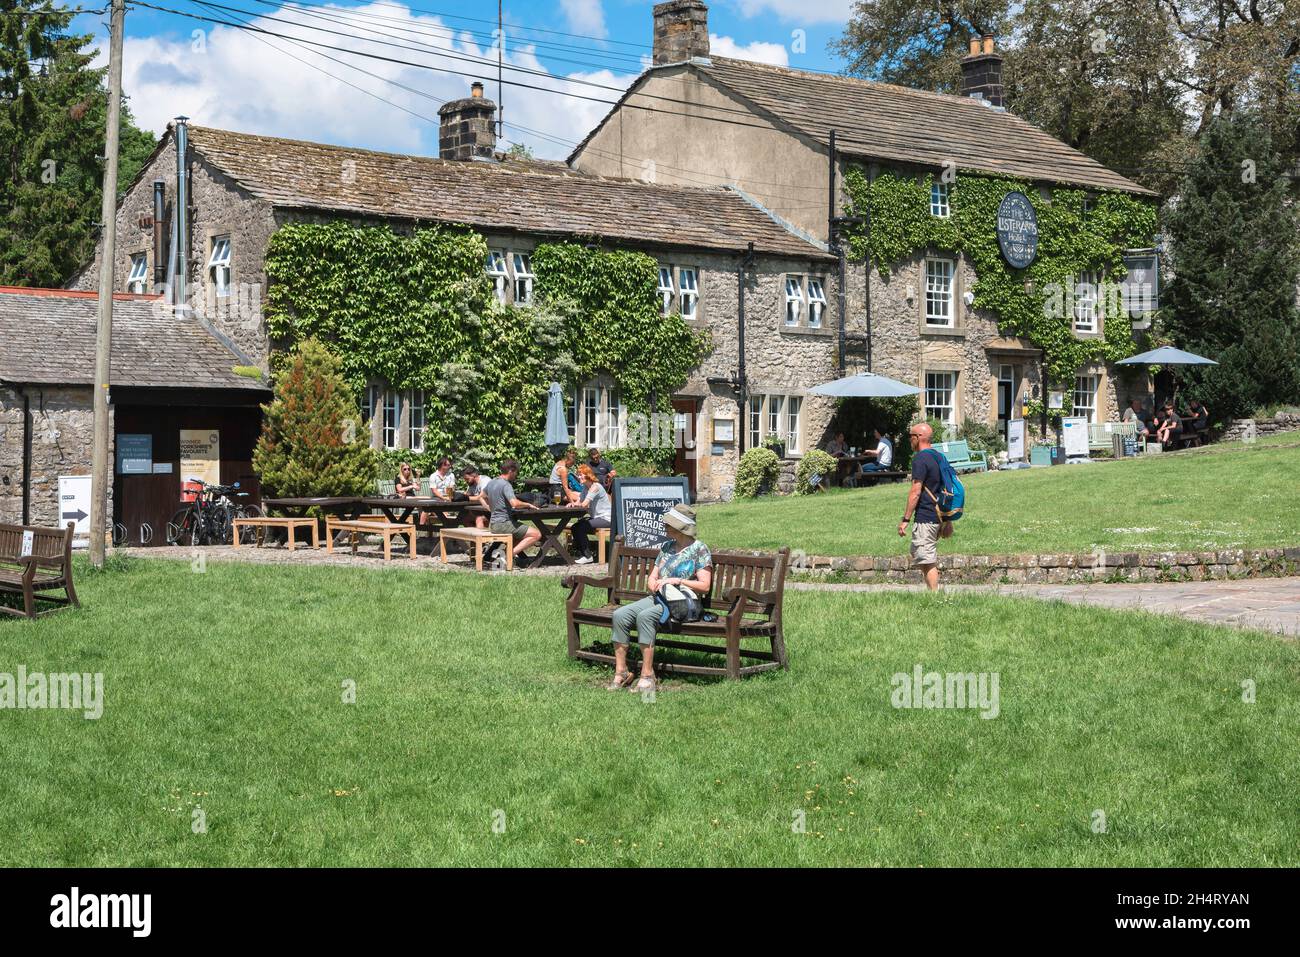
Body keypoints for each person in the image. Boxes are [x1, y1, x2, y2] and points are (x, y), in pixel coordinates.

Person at [609, 505, 712, 693]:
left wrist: (678, 580)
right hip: (660, 597)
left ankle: (647, 676)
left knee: (645, 617)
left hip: (683, 604)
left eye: (669, 524)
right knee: (620, 615)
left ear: (680, 527)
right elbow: (654, 574)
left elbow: (705, 586)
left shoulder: (700, 549)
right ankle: (621, 671)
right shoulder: (667, 546)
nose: (664, 526)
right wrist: (652, 581)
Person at [898, 423, 945, 591]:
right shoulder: (938, 456)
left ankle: (934, 597)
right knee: (922, 556)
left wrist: (905, 519)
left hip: (926, 515)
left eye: (911, 436)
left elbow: (915, 492)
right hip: (939, 514)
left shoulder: (920, 458)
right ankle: (932, 593)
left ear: (918, 438)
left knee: (927, 559)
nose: (909, 439)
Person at [484, 459, 541, 566]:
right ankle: (508, 556)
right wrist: (527, 504)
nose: (516, 475)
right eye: (516, 472)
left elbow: (482, 496)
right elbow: (514, 503)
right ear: (511, 471)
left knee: (518, 535)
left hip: (493, 524)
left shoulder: (492, 482)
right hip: (504, 524)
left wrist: (490, 507)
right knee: (536, 534)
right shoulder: (506, 485)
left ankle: (504, 556)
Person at [568, 464, 611, 564]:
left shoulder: (595, 487)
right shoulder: (585, 488)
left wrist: (577, 505)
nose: (579, 477)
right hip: (597, 518)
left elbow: (584, 505)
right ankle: (583, 552)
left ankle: (588, 556)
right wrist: (572, 504)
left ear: (588, 475)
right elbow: (579, 502)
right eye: (578, 475)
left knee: (581, 527)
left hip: (606, 518)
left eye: (581, 475)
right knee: (575, 527)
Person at [463, 465, 489, 529]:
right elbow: (468, 494)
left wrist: (465, 497)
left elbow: (481, 497)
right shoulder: (471, 483)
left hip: (490, 510)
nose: (466, 481)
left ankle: (480, 538)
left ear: (474, 475)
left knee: (479, 519)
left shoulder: (485, 481)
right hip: (480, 510)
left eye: (467, 479)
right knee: (464, 519)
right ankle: (474, 538)